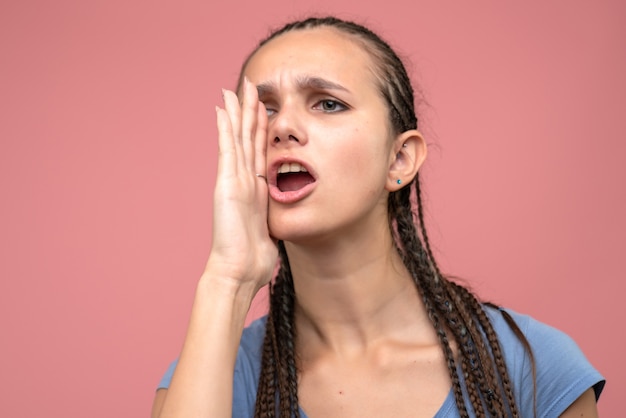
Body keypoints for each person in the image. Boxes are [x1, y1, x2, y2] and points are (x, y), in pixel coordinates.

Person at [151, 16, 604, 418]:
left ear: (400, 159)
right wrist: (227, 281)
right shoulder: (210, 376)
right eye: (264, 110)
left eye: (327, 103)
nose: (281, 126)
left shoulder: (533, 368)